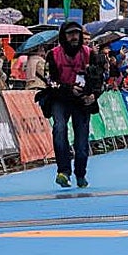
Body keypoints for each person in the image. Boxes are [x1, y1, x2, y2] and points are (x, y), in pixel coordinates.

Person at [46, 21, 102, 189]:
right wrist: (68, 88)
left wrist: (93, 95)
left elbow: (100, 79)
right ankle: (63, 171)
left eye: (77, 34)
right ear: (63, 36)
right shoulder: (53, 55)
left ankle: (80, 173)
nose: (74, 37)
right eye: (70, 34)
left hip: (82, 101)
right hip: (60, 98)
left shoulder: (90, 54)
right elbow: (50, 81)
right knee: (59, 128)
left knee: (81, 142)